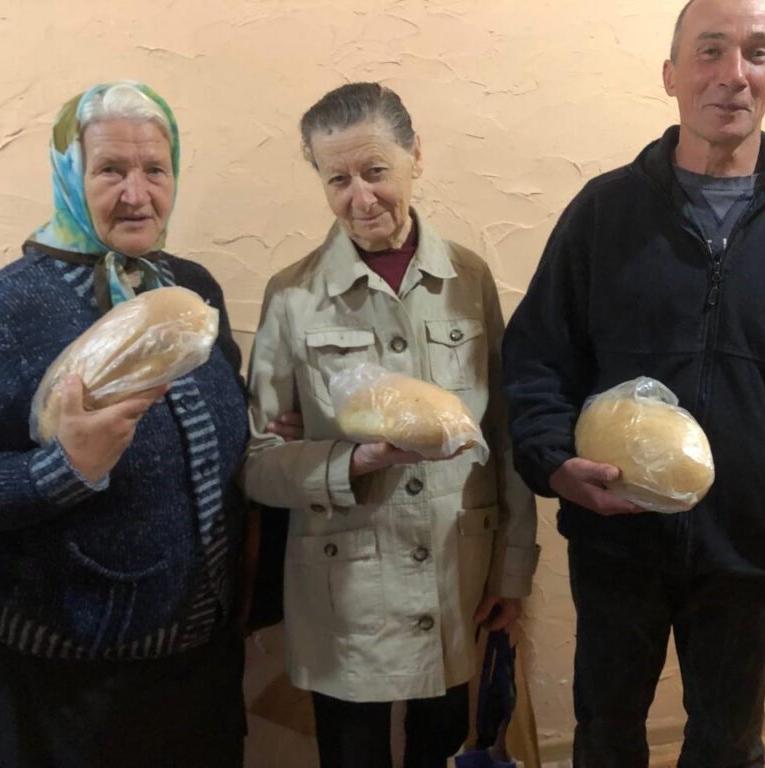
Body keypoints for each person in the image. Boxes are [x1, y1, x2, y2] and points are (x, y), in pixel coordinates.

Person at [501, 0, 765, 765]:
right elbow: (537, 359)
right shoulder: (602, 213)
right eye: (710, 51)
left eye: (756, 52)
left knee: (727, 742)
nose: (733, 75)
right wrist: (552, 462)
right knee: (606, 736)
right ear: (672, 74)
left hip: (753, 548)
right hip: (617, 543)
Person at [0, 81, 250, 768]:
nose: (137, 194)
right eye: (111, 170)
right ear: (69, 175)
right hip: (72, 678)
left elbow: (225, 419)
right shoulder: (9, 310)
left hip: (202, 660)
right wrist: (63, 468)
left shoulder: (189, 288)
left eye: (154, 170)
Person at [242, 82, 539, 768]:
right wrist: (350, 462)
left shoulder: (470, 277)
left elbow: (506, 434)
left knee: (440, 747)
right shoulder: (291, 296)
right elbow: (257, 462)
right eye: (336, 179)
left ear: (415, 158)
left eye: (375, 171)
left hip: (455, 572)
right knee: (353, 756)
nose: (360, 197)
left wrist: (513, 570)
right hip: (345, 592)